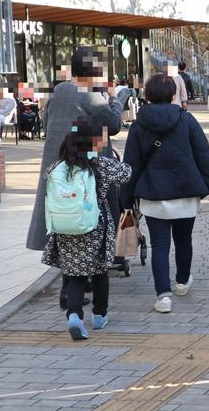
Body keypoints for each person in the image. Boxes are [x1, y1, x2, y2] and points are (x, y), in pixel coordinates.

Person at [120, 74, 209, 314]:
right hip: (186, 192)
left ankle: (163, 297)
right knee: (184, 240)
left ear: (147, 95)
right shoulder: (186, 120)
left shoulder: (138, 125)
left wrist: (126, 201)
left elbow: (131, 164)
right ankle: (182, 282)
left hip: (153, 194)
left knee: (159, 246)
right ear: (173, 95)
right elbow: (204, 156)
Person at [42, 117, 132, 340]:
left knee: (75, 276)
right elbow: (127, 173)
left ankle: (74, 315)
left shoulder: (57, 167)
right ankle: (99, 316)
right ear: (95, 142)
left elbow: (49, 181)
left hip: (65, 228)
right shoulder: (101, 165)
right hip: (95, 227)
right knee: (100, 272)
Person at [27, 47, 123, 254]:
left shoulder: (58, 91)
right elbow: (114, 124)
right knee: (88, 212)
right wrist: (114, 98)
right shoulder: (91, 96)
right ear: (97, 71)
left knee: (62, 208)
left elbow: (47, 125)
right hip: (85, 165)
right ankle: (89, 266)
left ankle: (67, 261)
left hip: (57, 163)